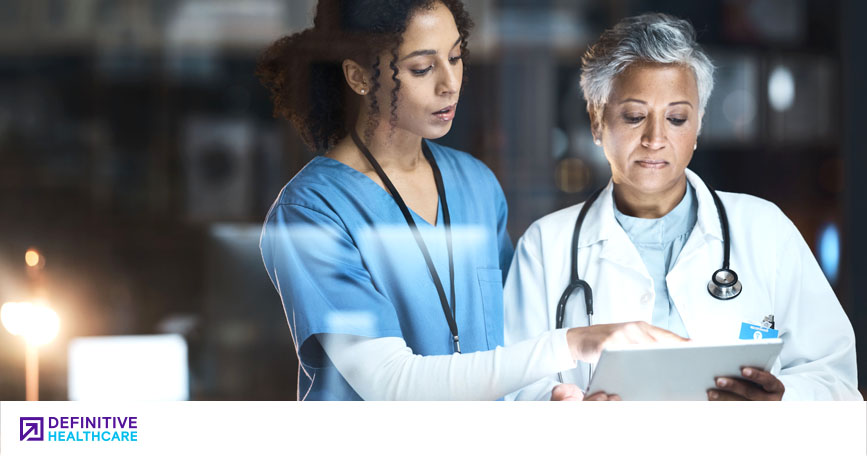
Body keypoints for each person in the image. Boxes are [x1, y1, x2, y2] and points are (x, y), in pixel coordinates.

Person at [257, 0, 684, 401]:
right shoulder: (312, 212)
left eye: (456, 57)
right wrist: (572, 343)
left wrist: (546, 398)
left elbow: (506, 347)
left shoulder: (475, 183)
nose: (450, 83)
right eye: (423, 68)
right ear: (359, 77)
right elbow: (388, 383)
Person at [504, 13, 860, 401]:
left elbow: (836, 381)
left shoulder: (765, 230)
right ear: (596, 120)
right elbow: (511, 388)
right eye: (635, 116)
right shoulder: (546, 247)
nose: (655, 138)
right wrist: (562, 412)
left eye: (676, 118)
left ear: (699, 124)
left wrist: (780, 401)